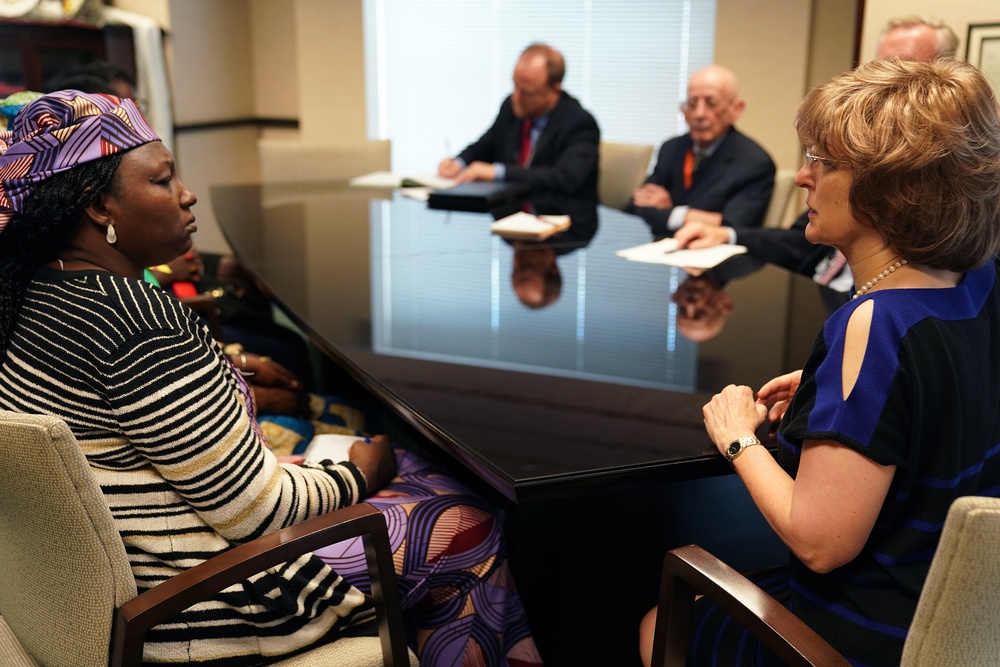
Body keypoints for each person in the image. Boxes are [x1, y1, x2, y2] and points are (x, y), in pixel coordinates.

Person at [0, 90, 543, 667]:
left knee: (419, 469)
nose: (187, 195)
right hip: (197, 601)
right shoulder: (138, 321)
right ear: (98, 207)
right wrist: (361, 471)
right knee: (469, 520)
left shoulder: (40, 292)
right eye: (162, 181)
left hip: (109, 589)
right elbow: (255, 513)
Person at [639, 57, 1000, 666]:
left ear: (893, 187)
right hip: (966, 619)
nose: (803, 176)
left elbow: (819, 543)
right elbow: (956, 386)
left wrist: (735, 437)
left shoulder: (877, 322)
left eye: (823, 161)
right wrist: (841, 390)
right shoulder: (981, 278)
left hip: (869, 635)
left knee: (658, 623)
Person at [673, 16, 959, 307]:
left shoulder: (945, 205)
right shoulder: (849, 167)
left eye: (905, 69)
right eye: (880, 67)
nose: (801, 177)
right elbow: (800, 242)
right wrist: (727, 233)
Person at [624, 64, 775, 239]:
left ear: (736, 108)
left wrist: (671, 211)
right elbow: (637, 205)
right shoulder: (671, 148)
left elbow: (733, 227)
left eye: (711, 103)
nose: (699, 114)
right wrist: (698, 217)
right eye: (692, 104)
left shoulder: (754, 162)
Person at [438, 43, 600, 199]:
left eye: (526, 92)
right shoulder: (511, 108)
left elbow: (566, 178)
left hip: (563, 217)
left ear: (554, 91)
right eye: (515, 85)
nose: (516, 97)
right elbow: (486, 145)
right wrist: (459, 163)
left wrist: (498, 172)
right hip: (513, 211)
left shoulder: (580, 124)